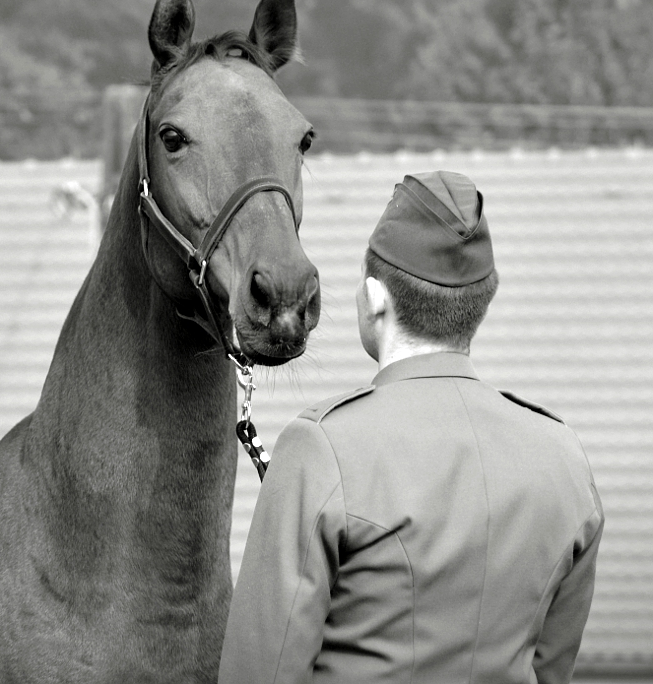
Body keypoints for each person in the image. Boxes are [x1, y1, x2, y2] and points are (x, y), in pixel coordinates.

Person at [219, 170, 603, 684]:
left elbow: (260, 672)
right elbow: (550, 667)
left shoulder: (321, 447)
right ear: (481, 303)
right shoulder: (564, 458)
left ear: (374, 299)